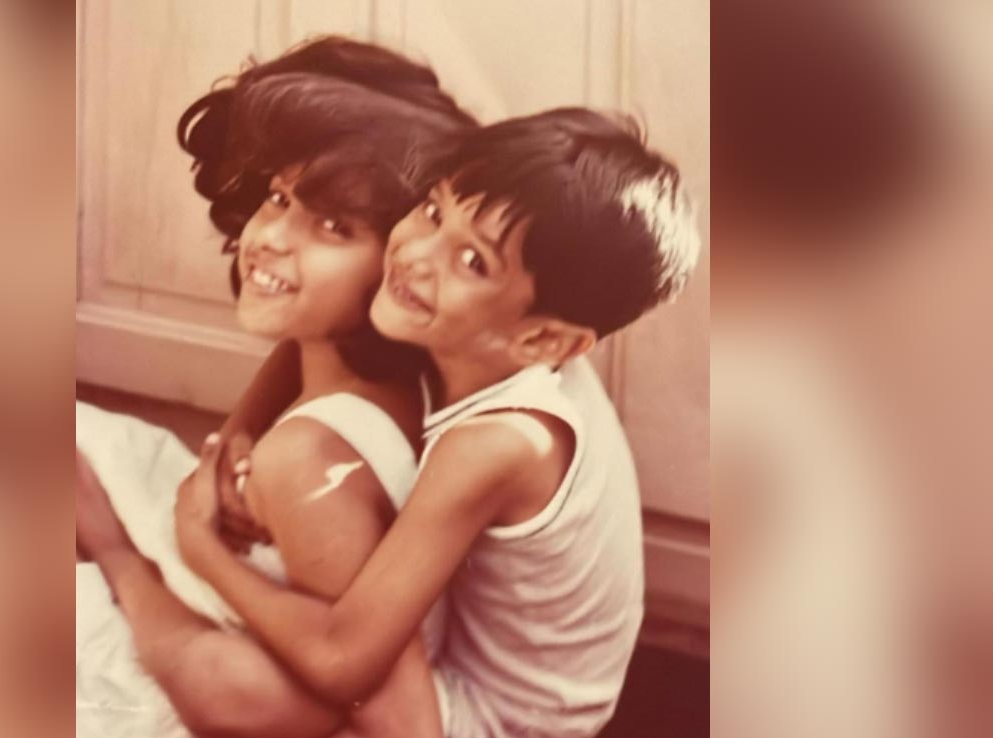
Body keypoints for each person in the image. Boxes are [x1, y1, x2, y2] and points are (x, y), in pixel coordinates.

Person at [170, 108, 701, 737]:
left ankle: (126, 566)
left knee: (220, 679)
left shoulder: (499, 443)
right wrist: (239, 431)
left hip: (498, 720)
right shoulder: (485, 332)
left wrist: (201, 548)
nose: (414, 255)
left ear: (544, 340)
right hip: (475, 652)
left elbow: (344, 661)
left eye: (472, 261)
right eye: (431, 211)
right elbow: (311, 334)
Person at [75, 37, 475, 738]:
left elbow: (385, 713)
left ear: (401, 266)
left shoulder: (311, 465)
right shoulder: (394, 360)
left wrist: (122, 556)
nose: (269, 237)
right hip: (225, 567)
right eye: (279, 198)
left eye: (333, 226)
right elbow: (294, 355)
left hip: (200, 633)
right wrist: (239, 432)